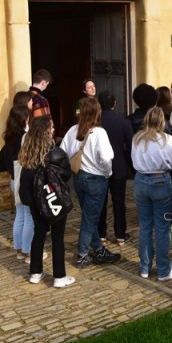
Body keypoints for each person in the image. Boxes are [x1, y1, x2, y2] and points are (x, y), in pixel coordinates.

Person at [60, 97, 121, 268]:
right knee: (89, 219)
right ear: (97, 112)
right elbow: (106, 158)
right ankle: (82, 254)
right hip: (96, 179)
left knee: (89, 216)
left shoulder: (73, 130)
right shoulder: (99, 133)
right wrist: (108, 172)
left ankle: (98, 248)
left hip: (79, 178)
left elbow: (63, 152)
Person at [17, 116, 75, 288]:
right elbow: (66, 174)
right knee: (57, 237)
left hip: (35, 201)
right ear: (45, 130)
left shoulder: (27, 152)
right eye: (52, 127)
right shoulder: (54, 153)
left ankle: (35, 272)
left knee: (39, 233)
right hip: (53, 197)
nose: (54, 129)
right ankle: (59, 276)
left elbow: (25, 180)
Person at [131, 107, 172, 280]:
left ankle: (144, 267)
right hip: (160, 180)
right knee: (162, 227)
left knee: (145, 226)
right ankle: (163, 270)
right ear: (162, 122)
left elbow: (133, 160)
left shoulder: (137, 139)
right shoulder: (167, 139)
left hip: (140, 180)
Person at [0, 105, 34, 262]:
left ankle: (19, 249)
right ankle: (29, 252)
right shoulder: (24, 138)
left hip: (14, 180)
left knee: (20, 215)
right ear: (24, 119)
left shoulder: (9, 138)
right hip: (23, 180)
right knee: (29, 216)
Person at [97, 90, 133, 245]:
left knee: (101, 202)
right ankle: (120, 234)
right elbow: (131, 146)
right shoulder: (123, 121)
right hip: (118, 166)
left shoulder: (95, 121)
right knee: (119, 202)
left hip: (99, 167)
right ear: (114, 104)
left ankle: (101, 234)